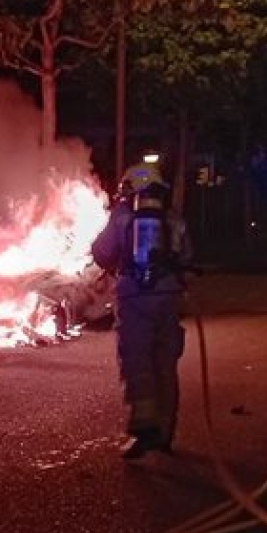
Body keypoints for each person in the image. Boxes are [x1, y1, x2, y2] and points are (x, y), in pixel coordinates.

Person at [91, 164, 193, 459]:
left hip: (135, 297)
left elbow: (102, 251)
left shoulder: (122, 217)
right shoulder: (173, 218)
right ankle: (165, 431)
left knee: (138, 360)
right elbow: (186, 255)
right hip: (169, 297)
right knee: (165, 362)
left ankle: (144, 428)